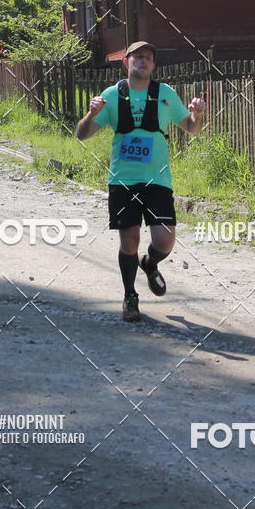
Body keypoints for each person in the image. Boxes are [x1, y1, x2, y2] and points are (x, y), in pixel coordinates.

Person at [76, 41, 205, 322]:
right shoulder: (111, 95)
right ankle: (130, 296)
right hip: (123, 180)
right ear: (126, 62)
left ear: (154, 65)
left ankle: (150, 264)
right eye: (137, 57)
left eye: (148, 58)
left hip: (158, 180)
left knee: (165, 240)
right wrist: (92, 114)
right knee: (129, 241)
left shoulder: (166, 94)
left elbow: (192, 128)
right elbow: (81, 135)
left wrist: (198, 113)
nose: (142, 62)